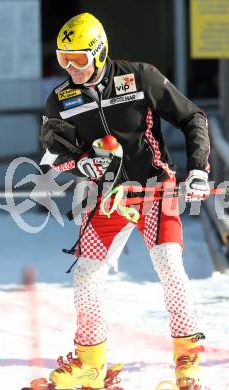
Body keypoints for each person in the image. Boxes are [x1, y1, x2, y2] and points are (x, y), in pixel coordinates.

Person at [40, 12, 210, 390]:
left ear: (99, 53)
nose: (71, 68)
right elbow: (53, 152)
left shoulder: (140, 76)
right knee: (86, 276)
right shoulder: (61, 99)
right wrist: (83, 165)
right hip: (108, 198)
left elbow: (192, 117)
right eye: (63, 59)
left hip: (153, 188)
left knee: (168, 263)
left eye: (79, 59)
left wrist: (197, 168)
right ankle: (91, 362)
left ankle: (186, 355)